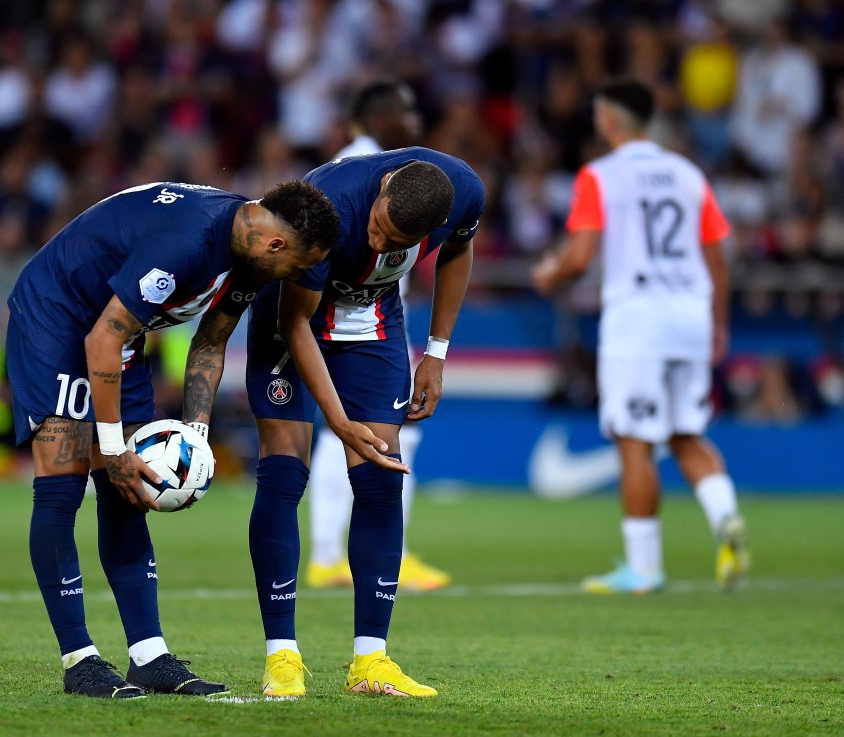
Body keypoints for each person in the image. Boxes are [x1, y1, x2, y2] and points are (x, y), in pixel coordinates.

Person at [5, 180, 339, 698]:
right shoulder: (187, 241)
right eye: (297, 266)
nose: (296, 277)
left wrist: (196, 435)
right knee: (63, 484)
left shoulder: (247, 254)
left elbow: (210, 340)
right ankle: (79, 658)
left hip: (119, 333)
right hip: (59, 318)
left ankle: (148, 655)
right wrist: (113, 448)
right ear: (276, 244)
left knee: (129, 491)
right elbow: (101, 337)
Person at [246, 148, 485, 698]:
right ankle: (281, 657)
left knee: (380, 479)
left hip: (371, 319)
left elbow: (459, 251)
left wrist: (437, 352)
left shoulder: (464, 194)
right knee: (284, 473)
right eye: (377, 229)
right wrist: (339, 420)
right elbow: (295, 320)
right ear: (381, 192)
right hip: (293, 313)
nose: (378, 245)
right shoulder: (332, 205)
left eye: (397, 244)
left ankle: (370, 661)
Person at [531, 79, 750, 594]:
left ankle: (644, 568)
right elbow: (717, 259)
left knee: (635, 441)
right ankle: (727, 520)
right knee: (686, 433)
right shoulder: (688, 173)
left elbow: (581, 256)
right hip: (691, 314)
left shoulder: (600, 176)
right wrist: (718, 323)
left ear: (609, 119)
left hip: (639, 318)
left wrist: (549, 275)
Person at [307, 79, 451, 592]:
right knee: (377, 432)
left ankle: (332, 552)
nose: (414, 122)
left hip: (376, 310)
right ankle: (354, 551)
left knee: (350, 432)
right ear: (384, 117)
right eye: (406, 112)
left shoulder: (382, 167)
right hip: (356, 316)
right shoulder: (368, 166)